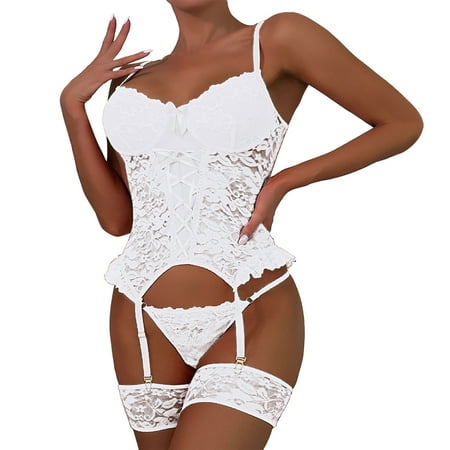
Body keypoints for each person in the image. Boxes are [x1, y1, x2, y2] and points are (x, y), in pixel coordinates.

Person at [59, 1, 423, 449]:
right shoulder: (129, 80)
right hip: (139, 317)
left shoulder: (279, 38)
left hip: (248, 304)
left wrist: (284, 181)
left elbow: (402, 122)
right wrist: (72, 107)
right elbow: (117, 219)